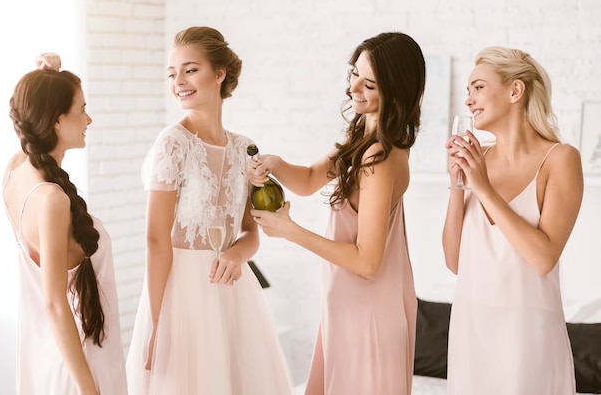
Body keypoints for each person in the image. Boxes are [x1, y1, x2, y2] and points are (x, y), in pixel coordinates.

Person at [248, 32, 426, 395]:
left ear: (396, 90)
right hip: (346, 308)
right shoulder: (363, 138)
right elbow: (311, 178)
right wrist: (276, 164)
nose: (353, 88)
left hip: (368, 314)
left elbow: (367, 261)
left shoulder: (380, 157)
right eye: (353, 74)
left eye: (369, 83)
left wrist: (290, 230)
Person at [125, 26, 293, 395]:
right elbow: (156, 239)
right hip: (181, 294)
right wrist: (155, 323)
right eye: (173, 74)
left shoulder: (245, 148)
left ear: (219, 74)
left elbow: (250, 232)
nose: (179, 82)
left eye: (190, 69)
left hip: (233, 291)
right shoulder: (172, 143)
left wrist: (236, 254)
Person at [442, 46, 582, 395]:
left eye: (478, 87)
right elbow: (454, 261)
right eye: (468, 91)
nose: (469, 100)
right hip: (471, 332)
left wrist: (483, 187)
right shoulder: (477, 160)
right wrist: (457, 184)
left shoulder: (560, 159)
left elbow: (543, 258)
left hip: (527, 338)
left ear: (515, 91)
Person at [2, 55, 128, 394]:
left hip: (47, 359)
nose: (89, 118)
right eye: (82, 109)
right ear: (57, 121)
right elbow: (55, 303)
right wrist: (89, 388)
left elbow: (28, 116)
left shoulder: (14, 173)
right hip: (80, 364)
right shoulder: (52, 200)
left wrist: (41, 74)